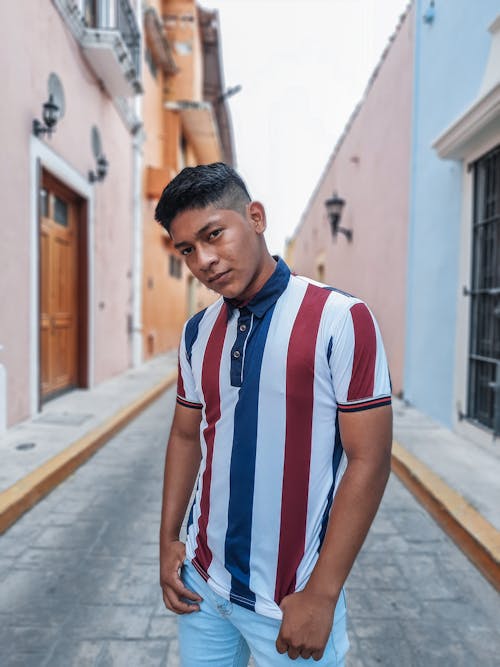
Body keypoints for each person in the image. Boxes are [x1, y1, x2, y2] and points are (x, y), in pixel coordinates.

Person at [156, 162, 392, 666]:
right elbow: (183, 436)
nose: (205, 259)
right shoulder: (197, 333)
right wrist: (167, 541)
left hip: (291, 603)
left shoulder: (340, 319)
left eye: (214, 234)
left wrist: (323, 596)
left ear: (255, 218)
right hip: (202, 588)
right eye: (188, 250)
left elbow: (369, 459)